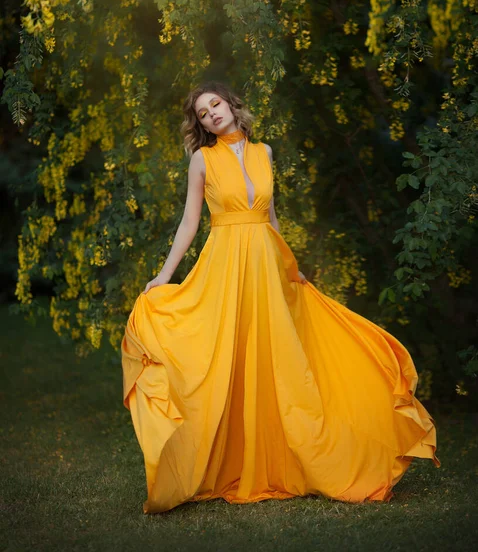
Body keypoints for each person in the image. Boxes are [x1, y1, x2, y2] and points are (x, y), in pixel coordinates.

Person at [121, 80, 440, 515]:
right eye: (202, 113)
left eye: (215, 104)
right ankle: (223, 460)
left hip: (266, 267)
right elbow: (189, 224)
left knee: (278, 358)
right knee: (228, 356)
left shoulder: (264, 152)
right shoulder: (202, 160)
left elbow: (270, 218)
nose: (211, 113)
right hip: (225, 265)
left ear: (231, 105)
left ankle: (300, 456)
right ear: (200, 125)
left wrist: (291, 267)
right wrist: (163, 276)